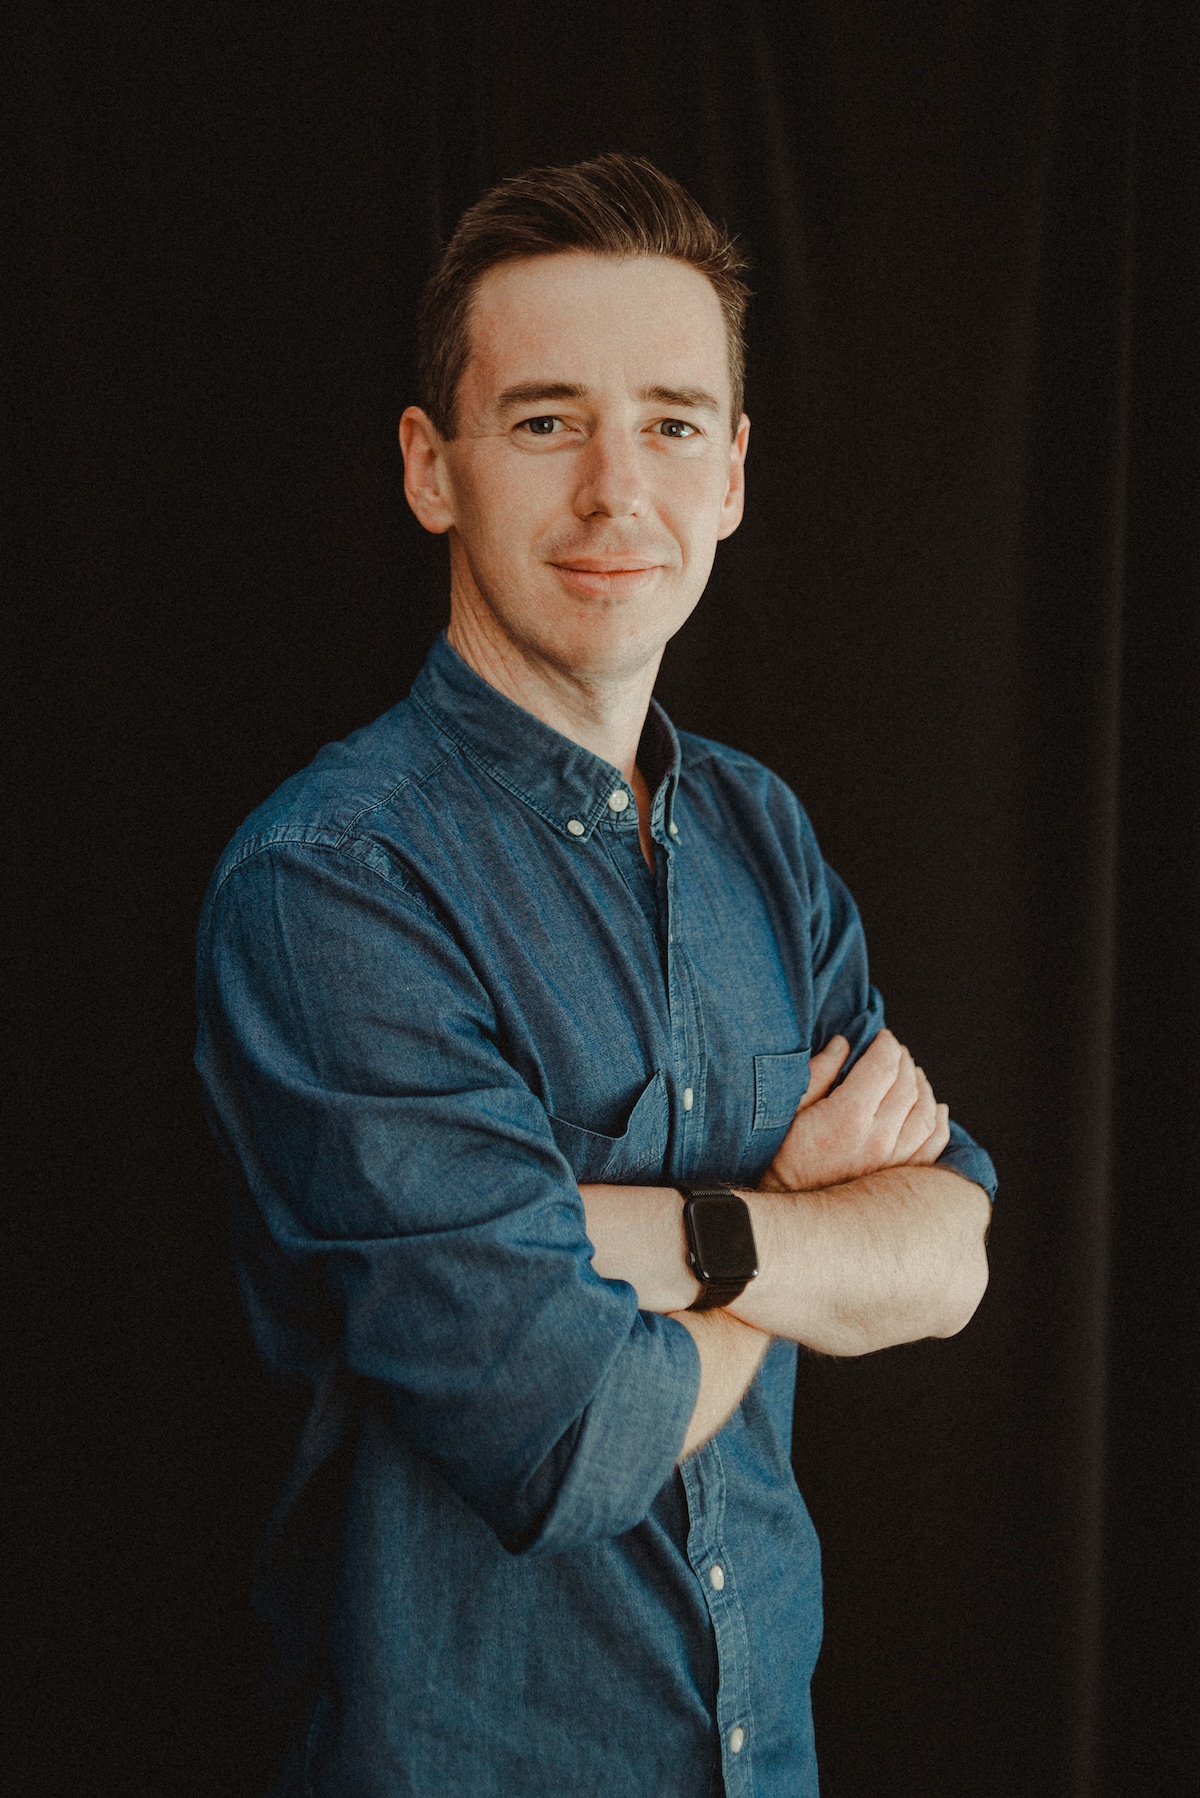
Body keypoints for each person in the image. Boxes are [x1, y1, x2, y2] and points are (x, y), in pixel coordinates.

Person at [195, 152, 995, 1798]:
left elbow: (951, 1254)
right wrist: (795, 1205)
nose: (618, 489)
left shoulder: (761, 837)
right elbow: (567, 1434)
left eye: (674, 424)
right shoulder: (331, 882)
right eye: (549, 420)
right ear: (432, 467)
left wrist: (671, 1238)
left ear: (735, 473)